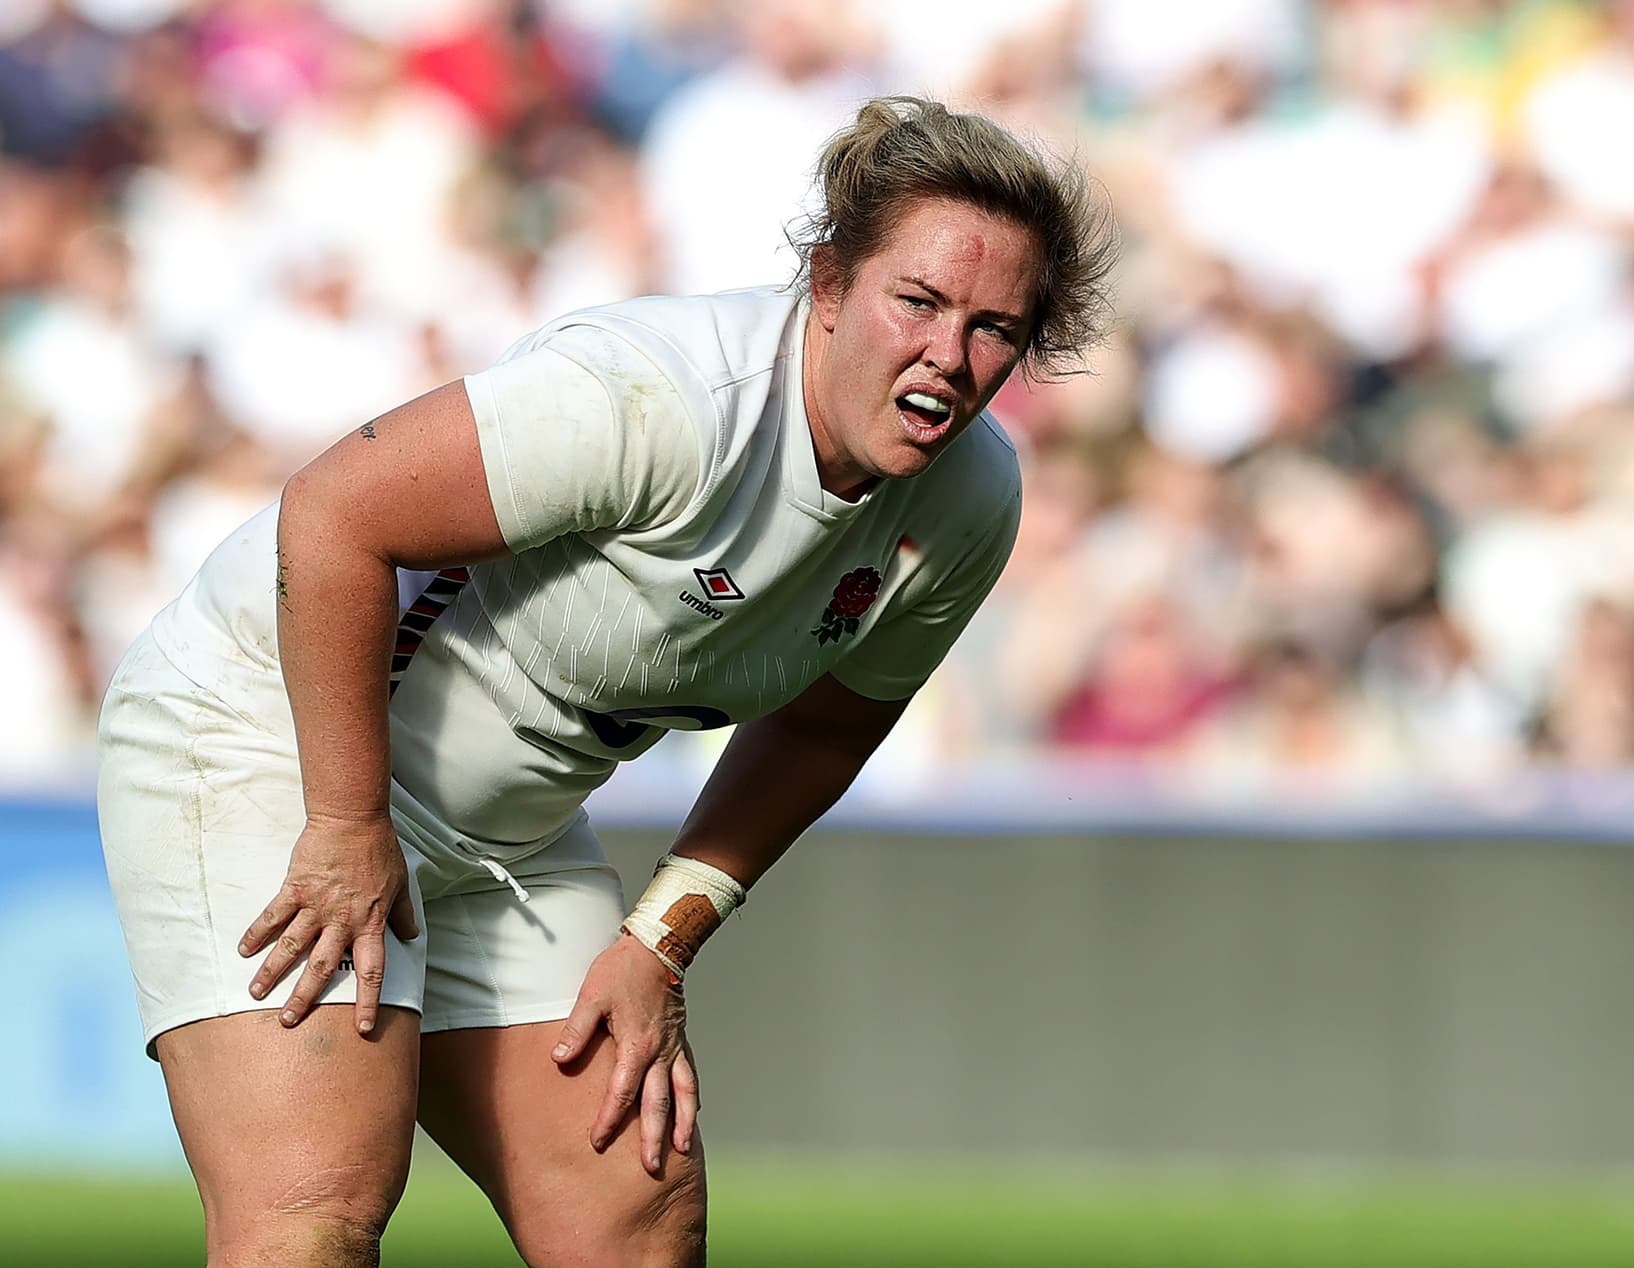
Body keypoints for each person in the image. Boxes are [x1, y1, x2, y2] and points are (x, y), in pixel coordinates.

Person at [97, 94, 1113, 1268]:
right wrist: (343, 822)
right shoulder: (660, 398)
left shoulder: (971, 499)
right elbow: (330, 518)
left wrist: (659, 939)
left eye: (995, 327)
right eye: (919, 301)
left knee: (636, 1220)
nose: (948, 354)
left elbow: (824, 731)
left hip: (509, 838)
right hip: (271, 748)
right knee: (314, 1214)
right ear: (830, 281)